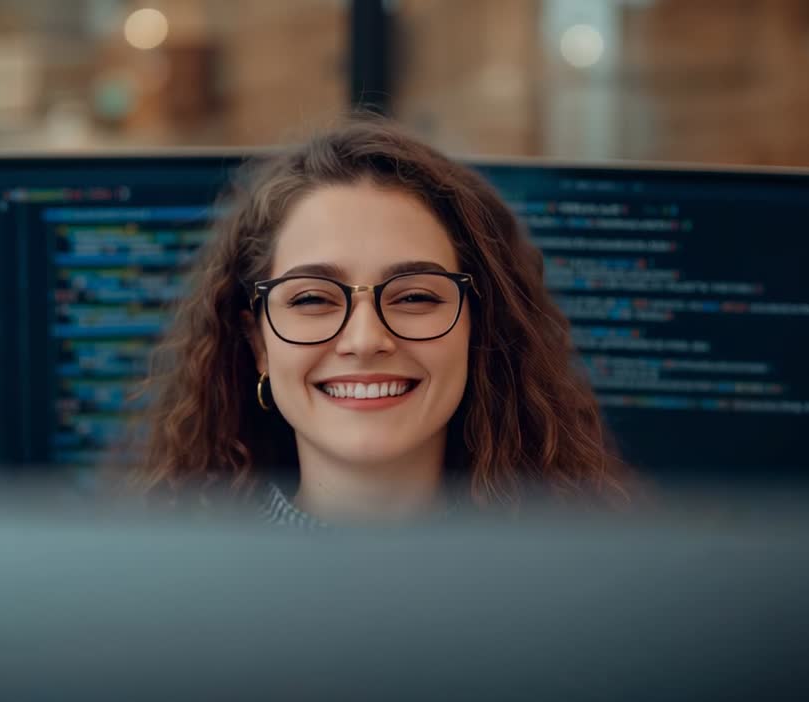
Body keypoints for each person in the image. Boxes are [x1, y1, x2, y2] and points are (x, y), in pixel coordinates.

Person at [128, 117, 624, 525]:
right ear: (257, 342)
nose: (365, 340)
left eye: (413, 296)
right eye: (311, 300)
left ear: (479, 328)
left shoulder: (581, 584)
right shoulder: (170, 590)